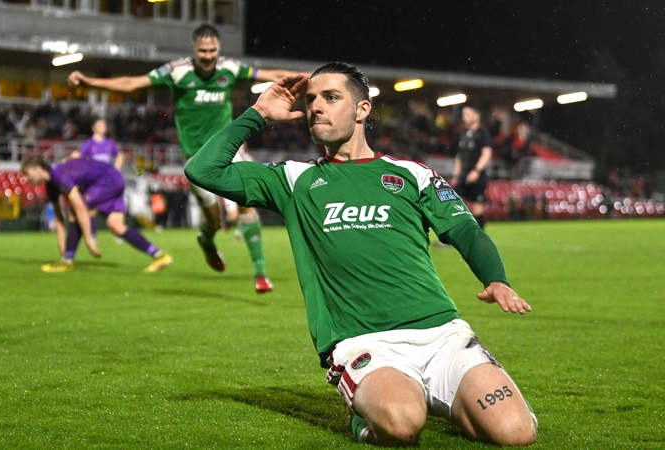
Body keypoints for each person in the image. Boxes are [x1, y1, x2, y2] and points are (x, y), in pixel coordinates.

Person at [184, 64, 537, 446]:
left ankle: (438, 397)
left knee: (516, 432)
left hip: (442, 335)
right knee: (402, 426)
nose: (316, 107)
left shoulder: (410, 174)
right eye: (310, 100)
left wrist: (496, 278)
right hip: (367, 343)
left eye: (331, 97)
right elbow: (203, 170)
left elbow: (465, 229)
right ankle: (364, 415)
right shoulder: (291, 179)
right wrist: (257, 114)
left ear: (362, 110)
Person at [67, 24, 298, 293]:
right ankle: (207, 240)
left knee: (247, 204)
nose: (209, 56)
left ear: (219, 49)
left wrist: (311, 78)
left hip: (229, 147)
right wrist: (90, 82)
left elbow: (272, 74)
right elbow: (133, 83)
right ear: (193, 49)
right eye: (203, 51)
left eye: (213, 50)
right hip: (198, 159)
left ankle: (260, 273)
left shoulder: (230, 67)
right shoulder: (177, 71)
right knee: (213, 220)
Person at [21, 155, 172, 274]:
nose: (26, 179)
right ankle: (159, 255)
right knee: (116, 226)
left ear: (39, 168)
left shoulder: (60, 176)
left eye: (27, 174)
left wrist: (88, 240)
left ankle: (68, 261)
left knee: (74, 210)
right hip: (113, 178)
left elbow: (80, 209)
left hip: (108, 180)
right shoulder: (51, 184)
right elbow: (59, 216)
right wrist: (60, 243)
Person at [451, 106, 493, 230]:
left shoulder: (483, 133)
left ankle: (479, 239)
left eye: (468, 114)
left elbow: (487, 153)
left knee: (477, 207)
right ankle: (451, 239)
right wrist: (456, 175)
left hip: (477, 176)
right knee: (454, 206)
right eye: (464, 114)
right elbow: (459, 157)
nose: (465, 117)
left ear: (477, 116)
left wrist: (476, 171)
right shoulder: (463, 134)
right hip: (463, 175)